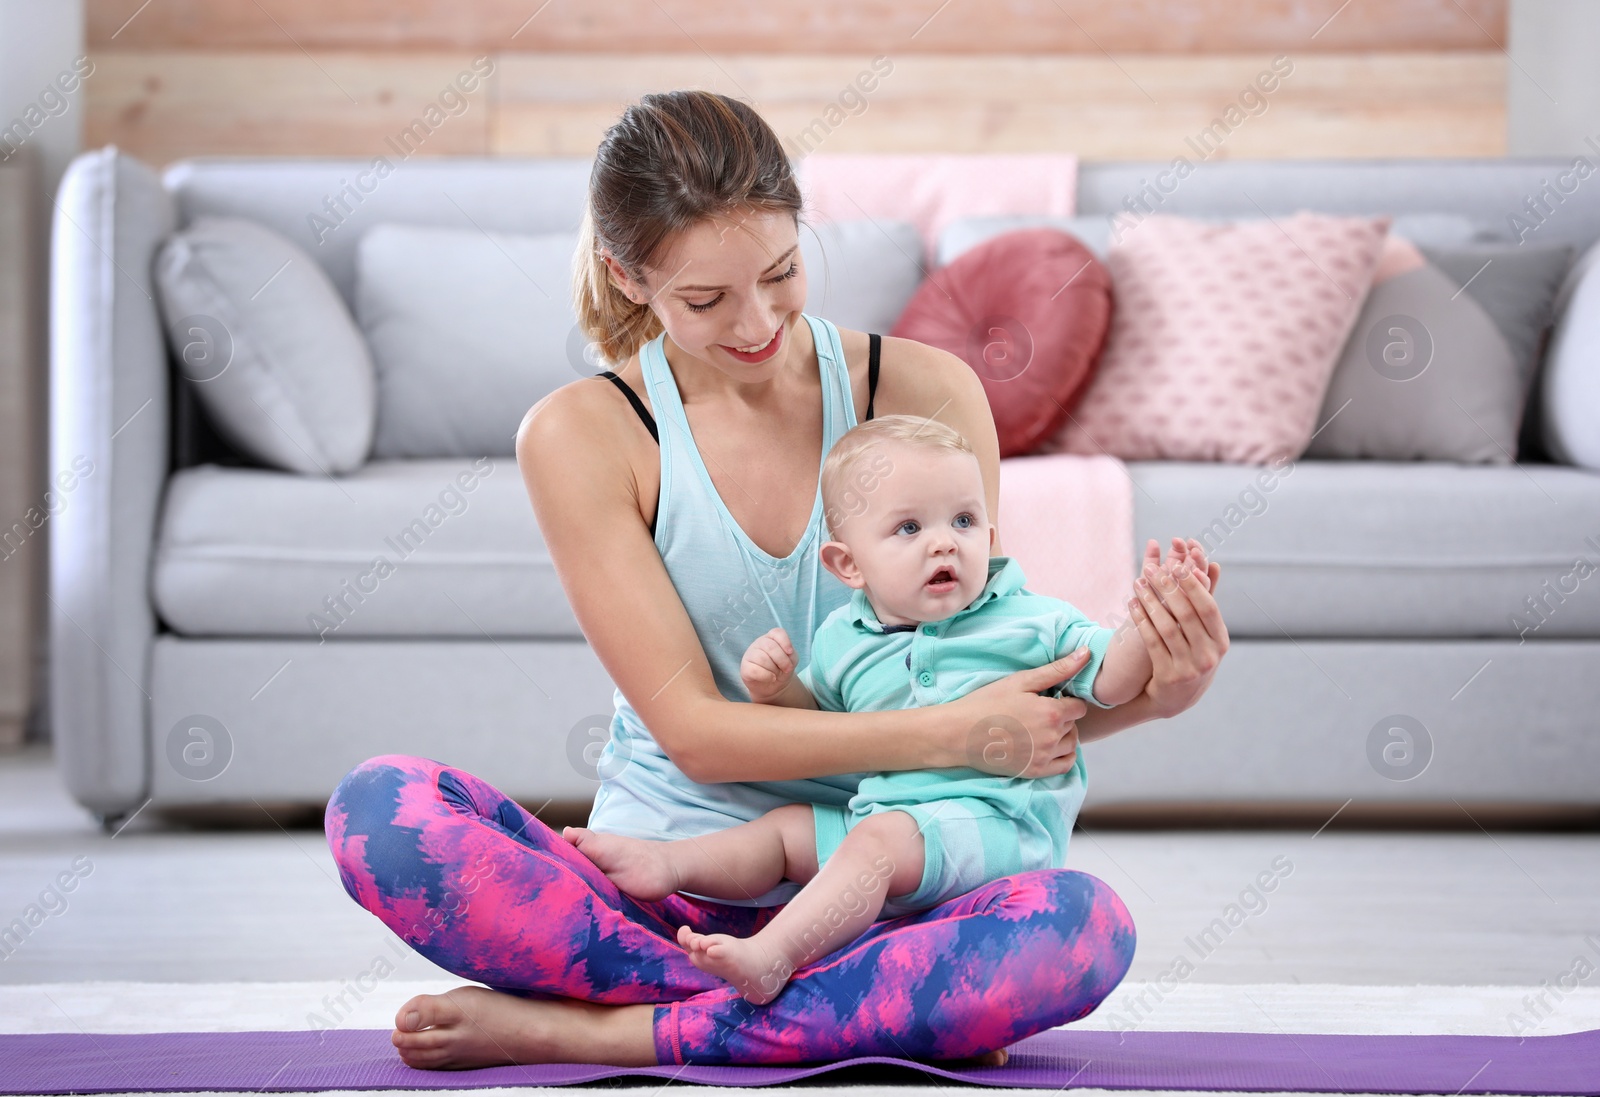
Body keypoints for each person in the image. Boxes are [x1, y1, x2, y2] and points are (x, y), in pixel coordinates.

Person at [323, 88, 1230, 1070]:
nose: (756, 322)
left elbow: (992, 685)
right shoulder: (583, 433)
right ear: (629, 278)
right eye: (706, 301)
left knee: (1081, 925)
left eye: (781, 272)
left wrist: (1157, 694)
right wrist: (954, 734)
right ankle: (854, 1006)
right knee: (383, 814)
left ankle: (609, 1026)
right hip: (669, 877)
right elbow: (703, 738)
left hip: (893, 881)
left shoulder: (924, 391)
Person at [561, 415, 1214, 1004]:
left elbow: (1107, 677)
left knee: (875, 838)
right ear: (848, 563)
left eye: (962, 522)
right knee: (787, 829)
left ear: (990, 534)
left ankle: (774, 956)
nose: (943, 544)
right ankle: (668, 864)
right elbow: (819, 720)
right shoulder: (847, 640)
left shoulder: (1031, 620)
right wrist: (779, 687)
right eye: (910, 527)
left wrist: (1149, 625)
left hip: (994, 827)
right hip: (890, 830)